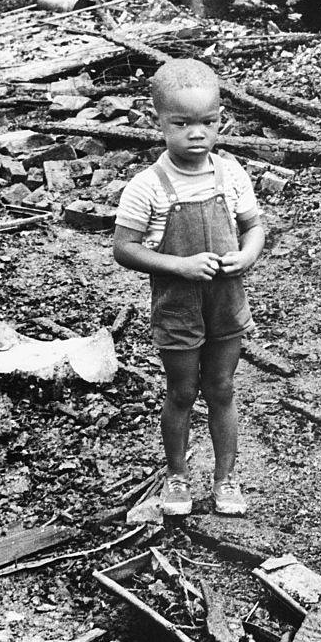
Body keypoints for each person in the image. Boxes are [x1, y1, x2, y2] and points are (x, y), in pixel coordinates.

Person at [113, 59, 265, 517]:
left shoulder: (231, 174)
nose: (196, 133)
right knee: (181, 391)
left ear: (221, 120)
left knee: (221, 387)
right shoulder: (147, 186)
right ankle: (177, 477)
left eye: (207, 122)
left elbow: (254, 227)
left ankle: (226, 480)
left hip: (226, 302)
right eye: (181, 124)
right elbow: (124, 249)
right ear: (156, 122)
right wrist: (179, 265)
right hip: (178, 306)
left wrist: (248, 254)